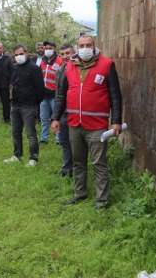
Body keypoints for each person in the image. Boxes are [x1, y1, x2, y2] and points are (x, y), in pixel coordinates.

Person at [51, 35, 123, 209]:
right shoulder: (69, 67)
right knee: (78, 161)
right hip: (75, 123)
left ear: (94, 47)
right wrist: (55, 118)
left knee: (99, 163)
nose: (85, 48)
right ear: (77, 47)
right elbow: (61, 95)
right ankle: (80, 193)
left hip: (97, 125)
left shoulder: (107, 65)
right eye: (81, 45)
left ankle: (101, 201)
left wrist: (116, 121)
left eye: (88, 45)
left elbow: (115, 95)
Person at [3, 44, 44, 167]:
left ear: (26, 53)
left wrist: (34, 103)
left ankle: (34, 158)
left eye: (21, 54)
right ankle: (17, 155)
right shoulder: (15, 68)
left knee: (30, 134)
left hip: (29, 106)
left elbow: (40, 90)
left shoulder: (34, 69)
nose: (19, 56)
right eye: (16, 55)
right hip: (15, 105)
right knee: (15, 133)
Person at [55, 43, 75, 177]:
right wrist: (56, 116)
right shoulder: (60, 70)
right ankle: (66, 170)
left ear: (74, 52)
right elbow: (58, 94)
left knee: (76, 144)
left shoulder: (78, 69)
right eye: (62, 54)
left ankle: (76, 171)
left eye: (68, 53)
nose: (65, 56)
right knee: (64, 142)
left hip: (75, 112)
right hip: (63, 113)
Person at [39, 40, 64, 144]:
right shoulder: (42, 61)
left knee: (57, 118)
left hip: (55, 95)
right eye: (46, 48)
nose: (48, 50)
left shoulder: (59, 61)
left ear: (54, 49)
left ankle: (59, 139)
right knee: (44, 119)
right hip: (43, 96)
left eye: (50, 48)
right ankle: (43, 138)